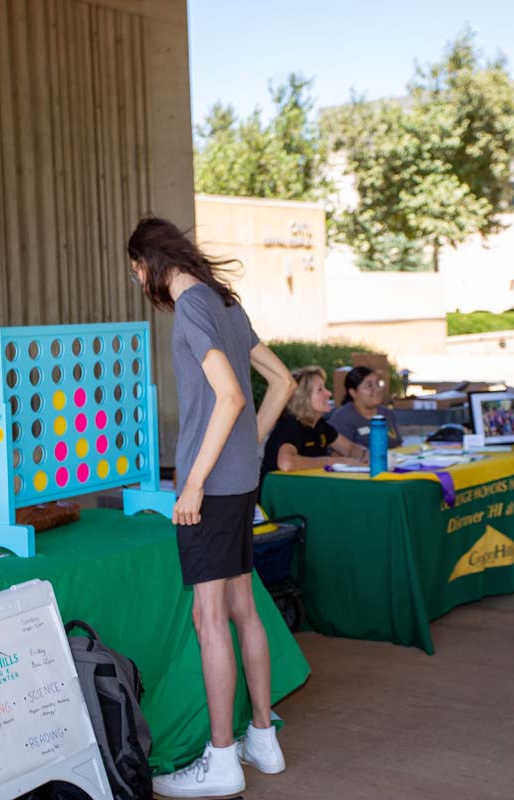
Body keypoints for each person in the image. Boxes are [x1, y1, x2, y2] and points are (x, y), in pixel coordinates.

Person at [127, 217, 297, 798]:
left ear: (147, 264)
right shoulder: (227, 304)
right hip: (242, 481)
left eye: (134, 273)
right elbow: (281, 382)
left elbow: (228, 395)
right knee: (243, 608)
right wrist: (252, 441)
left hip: (214, 486)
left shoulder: (194, 308)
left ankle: (222, 759)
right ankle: (262, 739)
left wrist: (193, 481)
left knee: (209, 618)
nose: (137, 282)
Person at [260, 366, 368, 486]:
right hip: (279, 495)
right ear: (303, 398)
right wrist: (334, 462)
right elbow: (286, 463)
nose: (329, 393)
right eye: (320, 390)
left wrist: (368, 456)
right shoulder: (291, 425)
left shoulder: (318, 424)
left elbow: (349, 448)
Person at [327, 366, 404, 450]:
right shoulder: (342, 418)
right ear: (353, 392)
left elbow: (398, 446)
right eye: (370, 385)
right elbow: (337, 454)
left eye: (378, 383)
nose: (377, 389)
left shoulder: (386, 414)